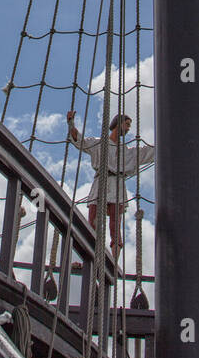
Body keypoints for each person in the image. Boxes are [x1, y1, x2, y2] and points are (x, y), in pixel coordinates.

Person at [66, 109, 154, 262]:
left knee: (115, 223)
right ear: (117, 124)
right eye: (126, 125)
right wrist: (71, 123)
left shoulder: (127, 152)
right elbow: (79, 141)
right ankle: (89, 257)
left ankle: (113, 261)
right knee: (93, 221)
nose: (127, 129)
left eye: (129, 126)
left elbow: (147, 153)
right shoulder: (99, 143)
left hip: (117, 185)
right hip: (100, 182)